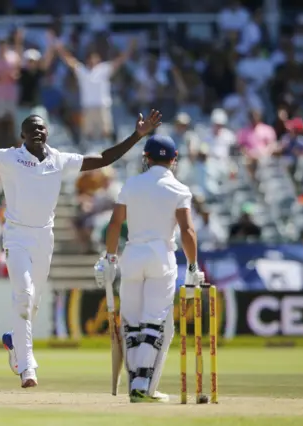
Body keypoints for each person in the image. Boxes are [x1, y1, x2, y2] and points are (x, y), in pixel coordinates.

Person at [0, 99, 162, 388]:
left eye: (41, 128)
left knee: (32, 304)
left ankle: (14, 342)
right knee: (23, 295)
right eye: (31, 128)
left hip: (44, 238)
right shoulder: (9, 157)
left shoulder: (59, 159)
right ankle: (28, 366)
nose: (37, 132)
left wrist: (137, 135)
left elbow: (104, 158)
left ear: (47, 133)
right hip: (17, 236)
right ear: (22, 136)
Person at [93, 135, 205, 403]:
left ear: (147, 158)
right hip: (161, 256)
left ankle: (138, 384)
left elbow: (115, 223)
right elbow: (188, 230)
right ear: (174, 160)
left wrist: (109, 258)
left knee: (131, 322)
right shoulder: (179, 189)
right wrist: (192, 265)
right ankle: (143, 385)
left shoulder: (132, 184)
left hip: (132, 255)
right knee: (155, 321)